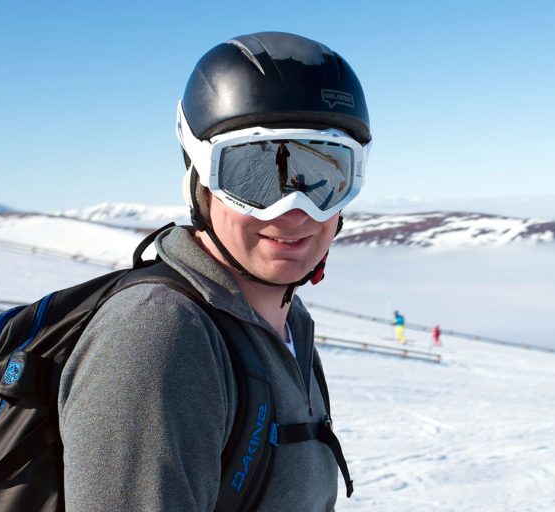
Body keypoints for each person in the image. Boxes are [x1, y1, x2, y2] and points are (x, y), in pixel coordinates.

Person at [57, 32, 371, 510]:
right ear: (200, 180)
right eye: (253, 174)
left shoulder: (288, 322)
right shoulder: (160, 336)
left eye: (325, 176)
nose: (293, 210)